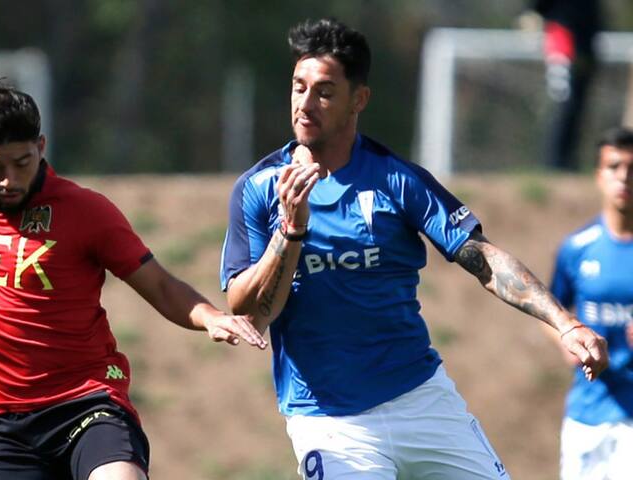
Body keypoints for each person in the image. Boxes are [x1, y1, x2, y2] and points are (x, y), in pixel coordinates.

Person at [220, 18, 609, 479]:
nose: (305, 104)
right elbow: (249, 311)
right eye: (298, 87)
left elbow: (481, 258)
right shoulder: (260, 189)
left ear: (358, 100)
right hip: (328, 421)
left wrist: (565, 323)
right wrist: (291, 230)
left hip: (422, 400)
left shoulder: (397, 180)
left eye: (324, 92)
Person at [0, 78, 266, 480]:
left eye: (22, 163)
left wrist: (209, 316)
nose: (9, 180)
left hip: (87, 403)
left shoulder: (86, 212)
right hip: (6, 422)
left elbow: (158, 283)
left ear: (41, 148)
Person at [547, 127, 633, 480]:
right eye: (615, 167)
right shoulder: (578, 248)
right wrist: (566, 338)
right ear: (600, 176)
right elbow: (550, 308)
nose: (624, 177)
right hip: (587, 411)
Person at [524, 0, 602, 170]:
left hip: (585, 40)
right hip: (563, 36)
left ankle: (567, 161)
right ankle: (555, 162)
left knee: (577, 105)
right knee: (564, 101)